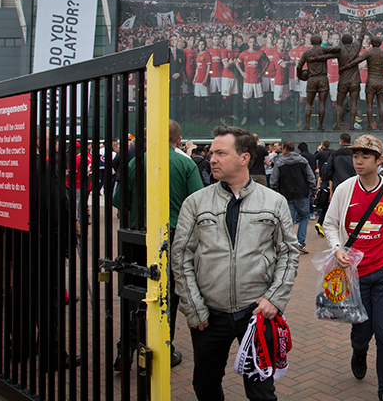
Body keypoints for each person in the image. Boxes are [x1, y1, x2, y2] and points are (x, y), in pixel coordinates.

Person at [172, 126, 300, 401]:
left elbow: (289, 253)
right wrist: (193, 307)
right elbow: (181, 257)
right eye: (211, 153)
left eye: (220, 153)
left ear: (244, 158)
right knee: (205, 385)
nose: (211, 159)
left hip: (255, 313)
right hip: (208, 316)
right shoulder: (195, 202)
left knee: (261, 392)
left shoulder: (274, 202)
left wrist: (274, 299)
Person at [323, 135, 383, 401]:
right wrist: (337, 248)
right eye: (355, 156)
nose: (358, 161)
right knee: (362, 331)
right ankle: (359, 351)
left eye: (364, 156)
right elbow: (330, 223)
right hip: (354, 275)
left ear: (378, 160)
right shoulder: (345, 189)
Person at [114, 119, 204, 368]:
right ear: (178, 138)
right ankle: (163, 345)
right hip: (172, 236)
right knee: (167, 294)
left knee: (134, 290)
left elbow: (117, 199)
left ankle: (128, 344)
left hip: (138, 236)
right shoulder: (185, 163)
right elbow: (198, 203)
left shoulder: (135, 162)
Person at [270, 140, 317, 254]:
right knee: (303, 217)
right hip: (302, 193)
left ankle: (289, 243)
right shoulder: (303, 161)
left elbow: (274, 181)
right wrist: (314, 191)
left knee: (288, 220)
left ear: (284, 149)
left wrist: (274, 192)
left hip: (286, 194)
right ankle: (301, 242)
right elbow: (311, 177)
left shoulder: (280, 162)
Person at [317, 132, 355, 234]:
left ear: (341, 141)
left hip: (338, 185)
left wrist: (334, 178)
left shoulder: (334, 154)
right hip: (353, 185)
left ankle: (340, 230)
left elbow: (327, 172)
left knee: (339, 209)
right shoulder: (354, 153)